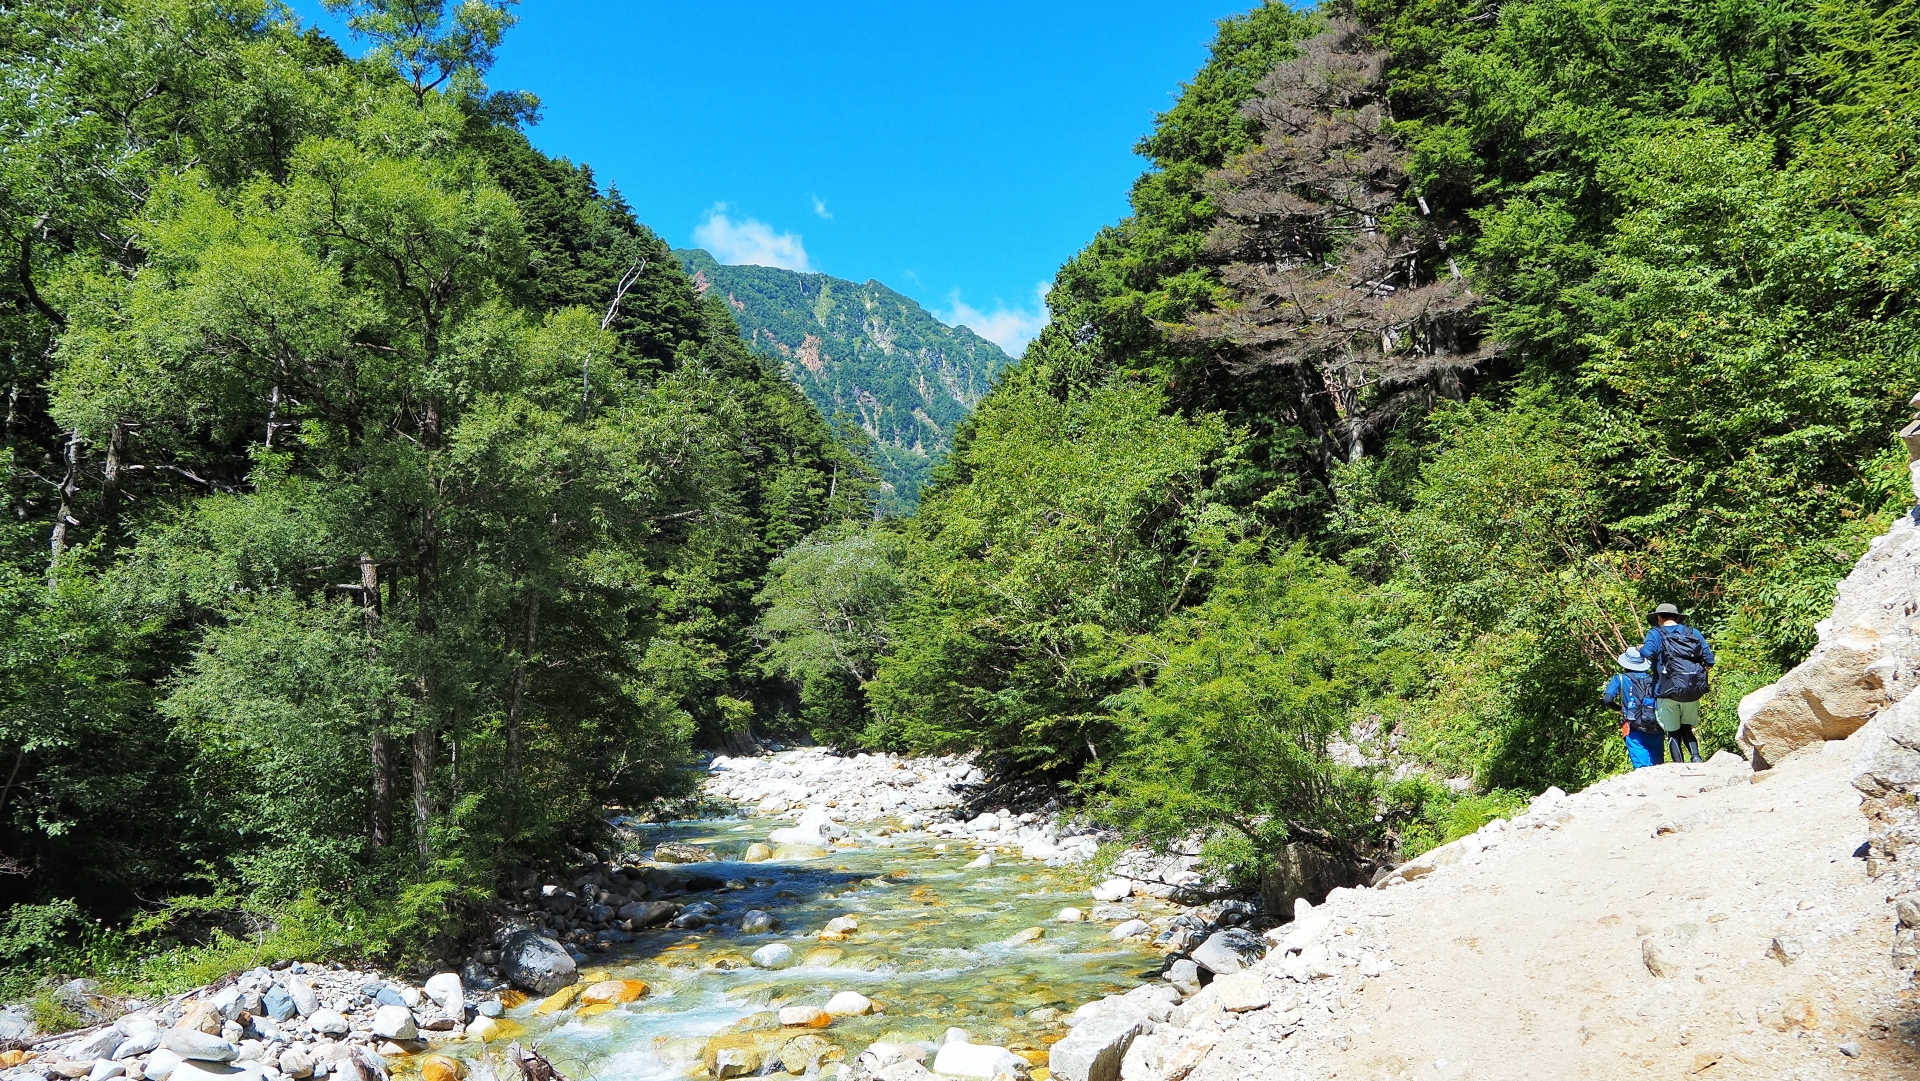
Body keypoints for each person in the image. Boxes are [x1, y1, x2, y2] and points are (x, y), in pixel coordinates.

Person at [1639, 602, 1714, 764]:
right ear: (1677, 617)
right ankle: (1696, 758)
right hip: (1692, 690)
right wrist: (1699, 675)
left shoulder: (1655, 633)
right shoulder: (1693, 632)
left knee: (1673, 732)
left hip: (1666, 692)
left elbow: (1647, 652)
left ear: (1659, 617)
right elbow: (1709, 658)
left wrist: (1640, 649)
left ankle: (1679, 766)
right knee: (1687, 727)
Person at [1603, 646, 1664, 768]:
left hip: (1632, 726)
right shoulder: (1653, 678)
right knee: (1658, 766)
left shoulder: (1620, 679)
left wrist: (1619, 709)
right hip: (1655, 724)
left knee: (1642, 767)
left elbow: (1607, 699)